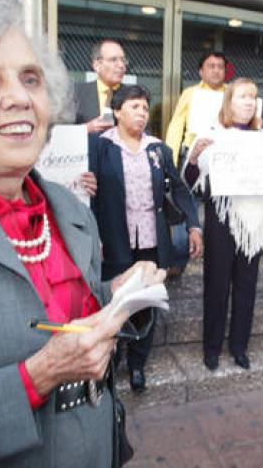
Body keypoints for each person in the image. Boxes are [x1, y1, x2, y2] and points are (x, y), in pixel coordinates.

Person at [0, 0, 164, 466]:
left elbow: (64, 313)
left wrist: (116, 295)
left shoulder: (69, 208)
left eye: (30, 78)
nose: (18, 98)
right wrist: (37, 377)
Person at [88, 84, 203, 392]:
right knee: (114, 303)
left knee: (146, 303)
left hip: (151, 241)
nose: (141, 113)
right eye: (134, 106)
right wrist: (91, 237)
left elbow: (179, 189)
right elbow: (88, 195)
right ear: (117, 112)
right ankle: (111, 362)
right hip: (114, 239)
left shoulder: (157, 149)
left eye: (144, 107)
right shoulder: (99, 146)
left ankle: (138, 363)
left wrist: (194, 225)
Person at [183, 78, 263, 371]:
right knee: (217, 285)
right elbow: (187, 182)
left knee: (247, 285)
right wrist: (196, 157)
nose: (250, 102)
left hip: (255, 222)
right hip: (221, 220)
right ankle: (211, 348)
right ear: (229, 102)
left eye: (254, 97)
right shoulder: (211, 135)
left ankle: (239, 346)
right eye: (243, 97)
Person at [165, 51, 227, 277]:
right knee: (185, 206)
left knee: (217, 208)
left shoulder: (230, 94)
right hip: (191, 155)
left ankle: (215, 255)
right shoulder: (190, 93)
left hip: (221, 158)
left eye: (220, 66)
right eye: (210, 66)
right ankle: (180, 259)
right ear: (201, 71)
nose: (216, 70)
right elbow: (176, 124)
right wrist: (169, 160)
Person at [75, 39, 127, 133]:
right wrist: (86, 129)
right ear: (97, 65)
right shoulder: (76, 93)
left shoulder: (132, 96)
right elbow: (60, 131)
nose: (121, 65)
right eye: (113, 60)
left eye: (123, 60)